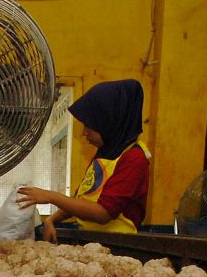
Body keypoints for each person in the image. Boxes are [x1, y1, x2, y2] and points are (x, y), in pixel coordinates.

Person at [17, 79, 150, 242]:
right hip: (93, 241)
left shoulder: (134, 158)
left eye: (89, 125)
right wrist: (51, 220)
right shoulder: (104, 154)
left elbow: (103, 214)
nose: (84, 133)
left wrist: (52, 197)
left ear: (109, 121)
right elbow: (81, 202)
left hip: (120, 246)